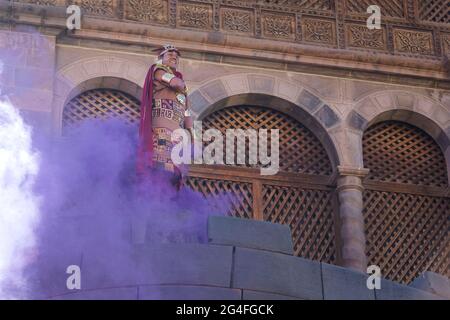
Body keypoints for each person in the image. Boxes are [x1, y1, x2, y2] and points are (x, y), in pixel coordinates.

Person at [137, 44, 193, 190]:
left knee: (175, 170)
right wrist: (181, 84)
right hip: (161, 127)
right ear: (161, 58)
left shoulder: (182, 85)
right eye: (169, 55)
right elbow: (176, 84)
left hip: (177, 132)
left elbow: (187, 113)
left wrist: (193, 134)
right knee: (160, 163)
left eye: (176, 57)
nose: (174, 58)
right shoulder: (158, 70)